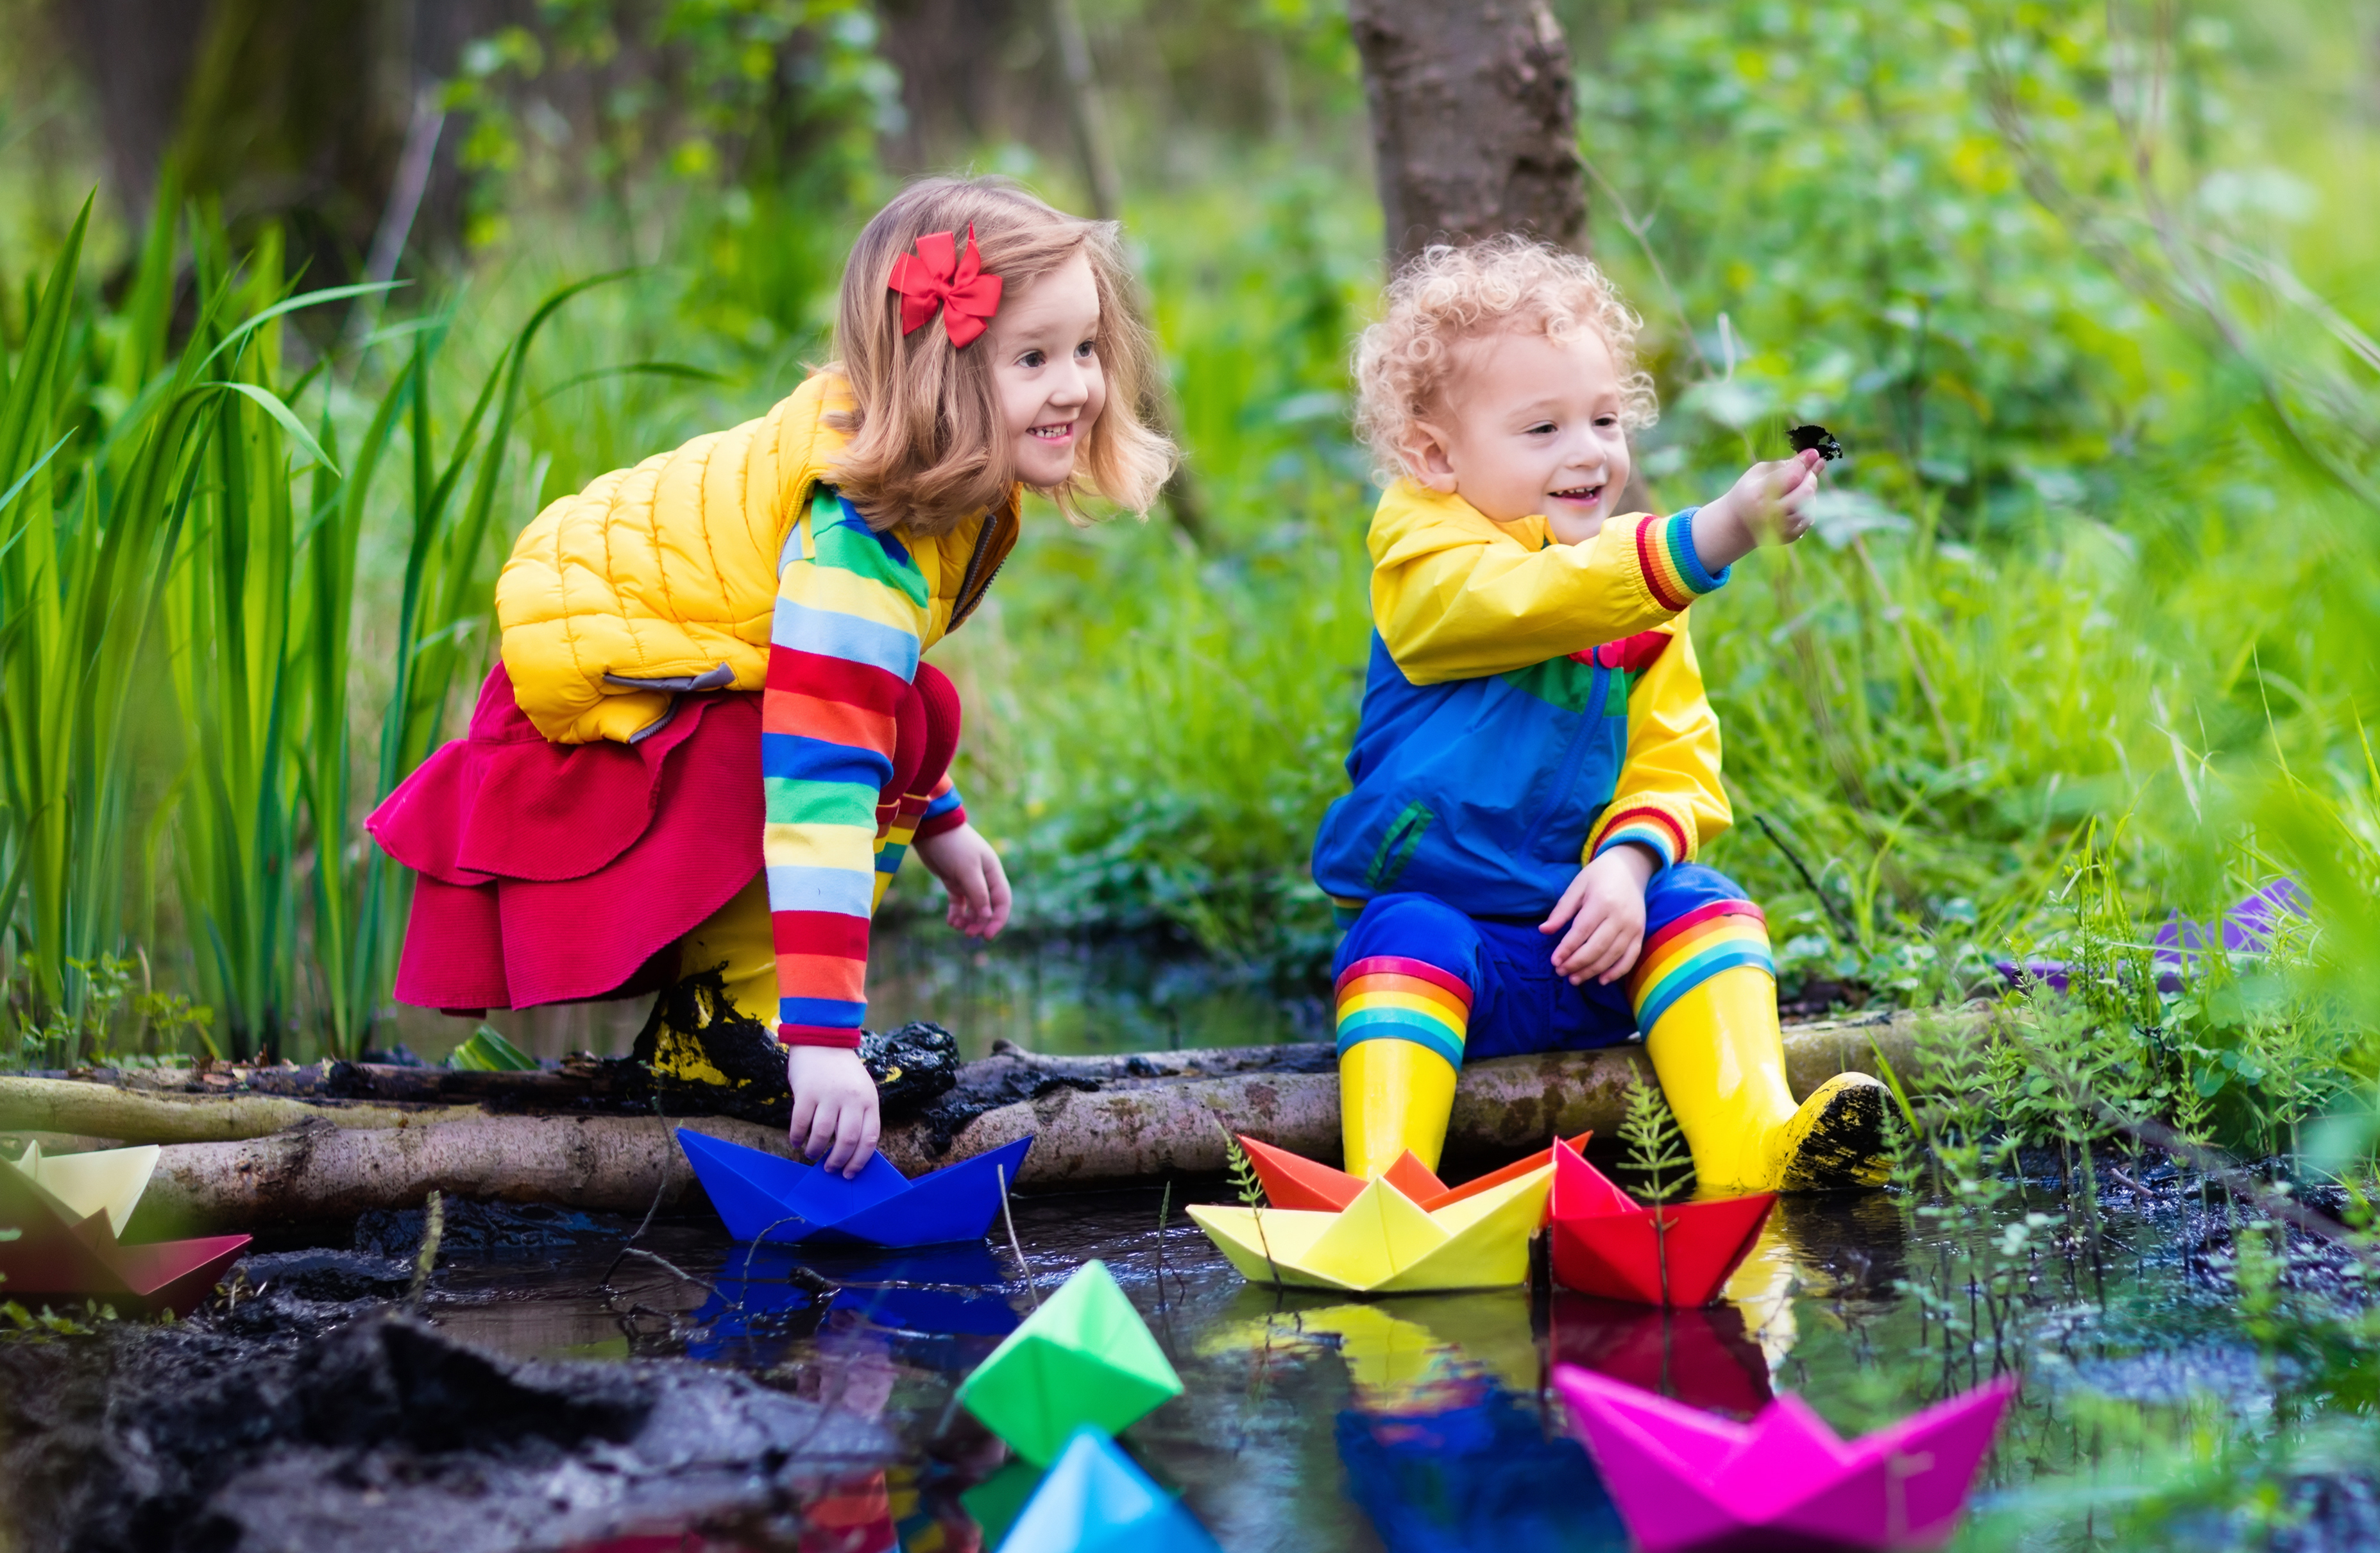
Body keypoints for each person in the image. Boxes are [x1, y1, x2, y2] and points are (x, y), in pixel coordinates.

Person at [370, 176, 1175, 1178]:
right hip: (599, 731)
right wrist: (827, 1041)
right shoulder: (857, 536)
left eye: (1085, 349)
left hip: (685, 694)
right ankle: (731, 1031)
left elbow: (868, 690)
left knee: (922, 705)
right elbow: (820, 779)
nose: (1076, 386)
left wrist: (940, 818)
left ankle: (736, 1028)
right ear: (935, 376)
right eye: (1032, 358)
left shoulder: (944, 490)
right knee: (827, 744)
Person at [1311, 237, 1886, 1195]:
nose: (1588, 452)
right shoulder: (1420, 551)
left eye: (1605, 419)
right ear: (1433, 454)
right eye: (1541, 429)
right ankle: (1393, 1191)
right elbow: (1522, 600)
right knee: (1403, 932)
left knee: (1702, 903)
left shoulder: (1638, 591)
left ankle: (1753, 1146)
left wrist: (1625, 867)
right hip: (1460, 950)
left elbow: (1675, 760)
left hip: (1595, 941)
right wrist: (1714, 535)